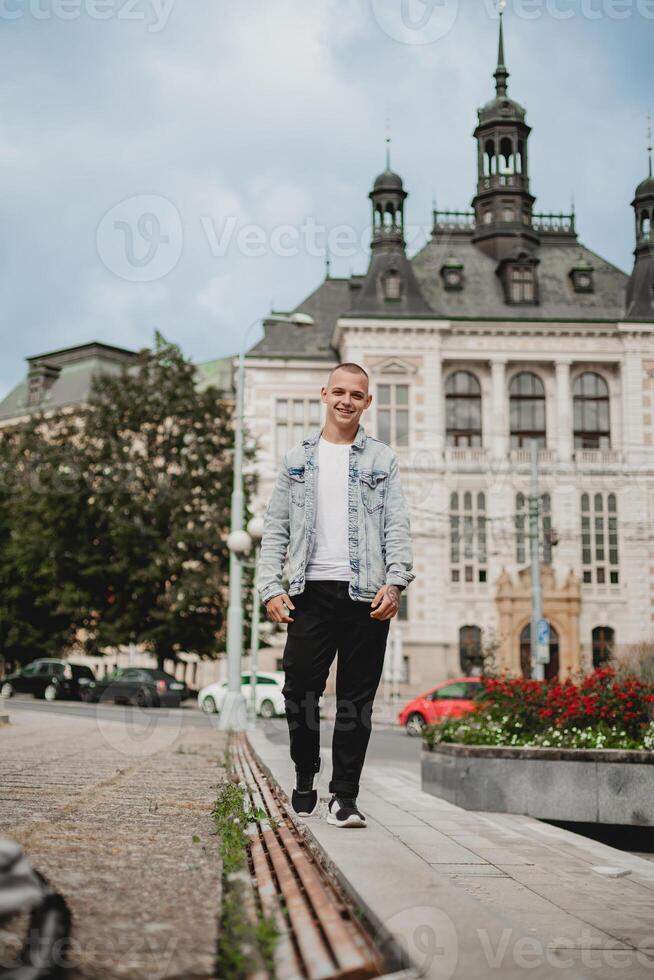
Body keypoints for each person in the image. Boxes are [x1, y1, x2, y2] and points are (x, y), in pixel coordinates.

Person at [257, 362, 415, 828]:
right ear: (325, 394)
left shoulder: (381, 460)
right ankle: (305, 771)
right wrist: (270, 587)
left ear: (367, 403)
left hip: (368, 595)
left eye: (357, 394)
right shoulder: (297, 459)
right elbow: (275, 527)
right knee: (299, 689)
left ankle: (343, 797)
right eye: (339, 392)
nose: (346, 400)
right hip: (311, 591)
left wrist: (397, 580)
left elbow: (396, 524)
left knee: (356, 701)